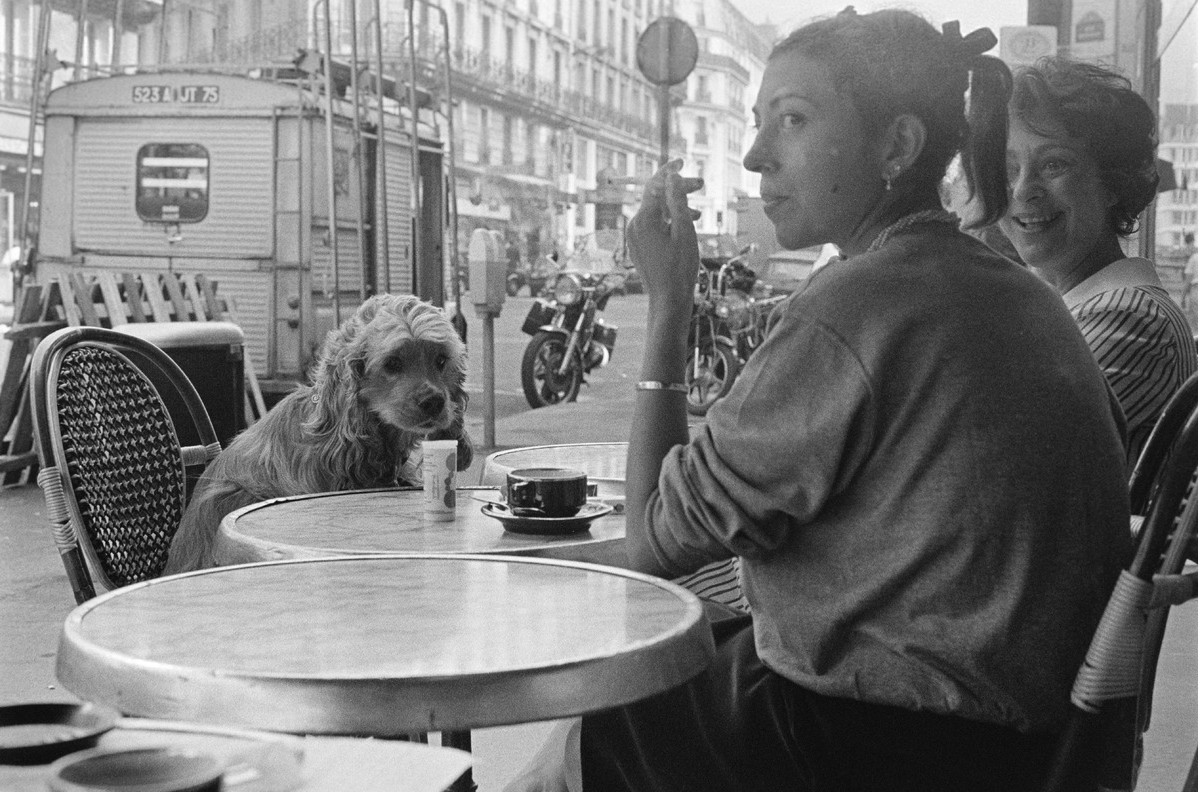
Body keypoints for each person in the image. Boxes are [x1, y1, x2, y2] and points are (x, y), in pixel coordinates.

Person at [506, 9, 1130, 792]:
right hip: (1032, 746)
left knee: (614, 705)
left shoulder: (859, 301)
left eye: (793, 120)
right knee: (680, 668)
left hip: (895, 748)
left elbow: (651, 544)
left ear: (896, 146)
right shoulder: (1005, 289)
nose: (757, 153)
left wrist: (669, 305)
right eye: (757, 122)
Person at [998, 57, 1196, 468]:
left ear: (1112, 182)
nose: (1023, 190)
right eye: (1007, 168)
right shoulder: (1061, 310)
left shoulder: (1131, 317)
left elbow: (999, 470)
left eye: (1054, 164)